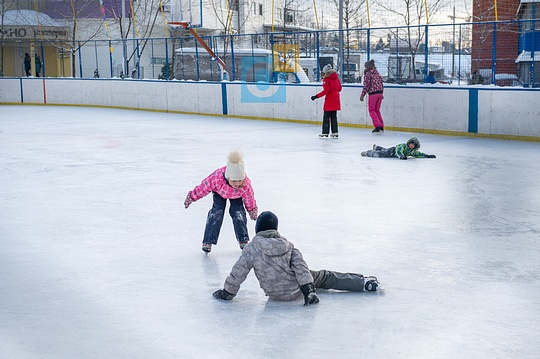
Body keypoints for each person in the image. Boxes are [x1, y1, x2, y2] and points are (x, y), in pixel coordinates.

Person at [213, 211, 380, 306]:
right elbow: (301, 269)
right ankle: (363, 283)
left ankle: (360, 281)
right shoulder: (289, 246)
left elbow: (238, 272)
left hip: (274, 293)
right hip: (297, 290)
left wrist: (227, 293)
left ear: (258, 230)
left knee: (313, 275)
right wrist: (309, 292)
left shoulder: (251, 249)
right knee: (326, 277)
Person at [184, 150, 258, 253]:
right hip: (219, 192)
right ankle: (208, 241)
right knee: (217, 212)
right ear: (228, 177)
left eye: (239, 180)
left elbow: (249, 197)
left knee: (238, 213)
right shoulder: (217, 178)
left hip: (236, 196)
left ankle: (243, 239)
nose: (237, 183)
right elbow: (204, 187)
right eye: (234, 180)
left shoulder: (244, 184)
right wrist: (192, 196)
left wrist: (252, 209)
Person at [311, 63, 342, 138]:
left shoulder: (326, 79)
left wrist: (316, 96)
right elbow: (340, 89)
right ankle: (335, 132)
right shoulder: (336, 78)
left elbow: (326, 91)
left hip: (329, 100)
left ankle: (325, 132)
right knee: (334, 117)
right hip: (336, 99)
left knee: (326, 117)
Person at [360, 59, 385, 134]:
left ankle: (378, 126)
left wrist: (362, 95)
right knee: (377, 110)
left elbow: (366, 85)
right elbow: (381, 83)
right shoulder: (377, 73)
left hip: (373, 93)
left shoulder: (368, 74)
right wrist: (381, 93)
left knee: (372, 110)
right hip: (379, 93)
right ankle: (381, 126)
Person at [361, 136, 436, 159]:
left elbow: (417, 154)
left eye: (413, 145)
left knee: (384, 150)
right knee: (379, 154)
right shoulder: (402, 146)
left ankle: (377, 147)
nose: (411, 145)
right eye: (411, 143)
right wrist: (401, 156)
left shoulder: (411, 151)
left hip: (392, 154)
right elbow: (398, 152)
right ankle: (368, 152)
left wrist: (427, 156)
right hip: (391, 152)